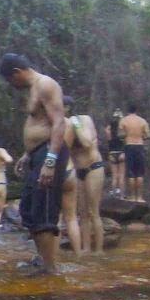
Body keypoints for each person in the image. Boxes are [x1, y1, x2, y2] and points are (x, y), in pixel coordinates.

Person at [0, 53, 68, 275]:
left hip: (49, 153)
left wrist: (50, 160)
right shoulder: (34, 89)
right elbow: (41, 124)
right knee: (29, 208)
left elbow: (59, 123)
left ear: (17, 72)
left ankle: (51, 268)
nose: (12, 85)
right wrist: (28, 154)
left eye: (11, 80)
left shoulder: (45, 84)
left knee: (44, 208)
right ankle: (42, 261)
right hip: (38, 153)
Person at [63, 98, 105, 254]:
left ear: (67, 108)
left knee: (94, 211)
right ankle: (86, 249)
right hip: (77, 171)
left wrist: (75, 123)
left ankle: (99, 250)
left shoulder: (83, 120)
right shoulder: (63, 125)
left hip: (93, 167)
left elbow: (86, 142)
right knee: (82, 213)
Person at [118, 106, 150, 203]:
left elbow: (120, 135)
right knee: (140, 173)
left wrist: (126, 136)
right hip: (139, 146)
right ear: (136, 110)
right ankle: (140, 197)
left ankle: (132, 196)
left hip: (129, 146)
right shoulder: (142, 121)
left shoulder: (124, 120)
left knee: (131, 172)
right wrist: (142, 137)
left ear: (128, 110)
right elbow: (148, 135)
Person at [105, 109, 126, 197]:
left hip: (112, 153)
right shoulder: (123, 131)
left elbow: (106, 130)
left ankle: (113, 194)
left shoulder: (110, 130)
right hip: (122, 153)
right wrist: (121, 117)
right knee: (121, 176)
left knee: (114, 176)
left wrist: (114, 118)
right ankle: (121, 195)